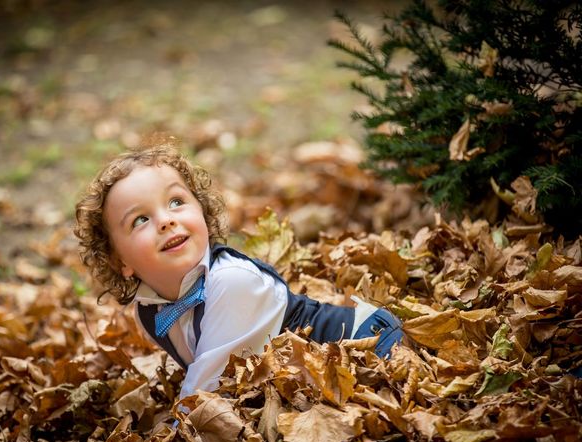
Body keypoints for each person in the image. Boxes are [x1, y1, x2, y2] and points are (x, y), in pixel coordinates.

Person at [74, 142, 404, 398]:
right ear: (121, 262)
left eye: (176, 202)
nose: (166, 220)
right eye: (141, 219)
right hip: (305, 379)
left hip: (369, 345)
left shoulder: (232, 283)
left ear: (201, 211)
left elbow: (203, 394)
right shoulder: (152, 309)